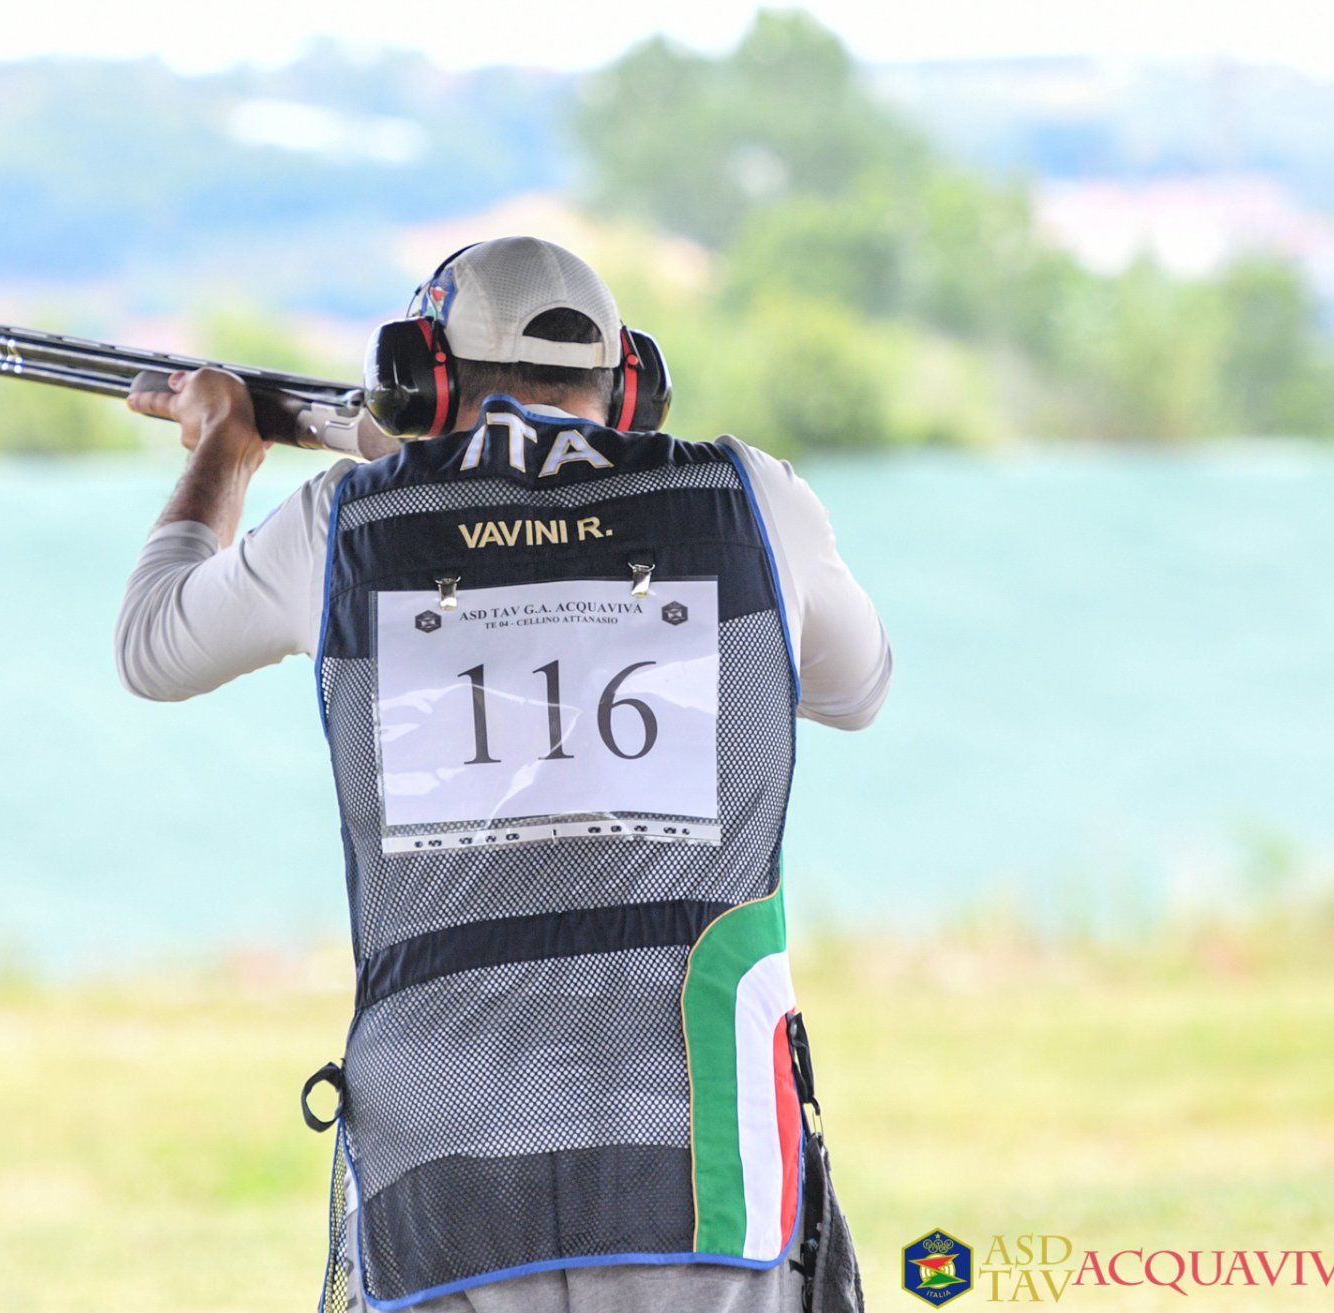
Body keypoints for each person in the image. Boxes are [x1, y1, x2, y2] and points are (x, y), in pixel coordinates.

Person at [117, 238, 890, 1313]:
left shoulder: (349, 522)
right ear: (631, 381)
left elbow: (151, 644)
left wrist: (226, 449)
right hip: (712, 1173)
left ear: (423, 376)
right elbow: (858, 686)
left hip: (442, 1181)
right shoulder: (751, 499)